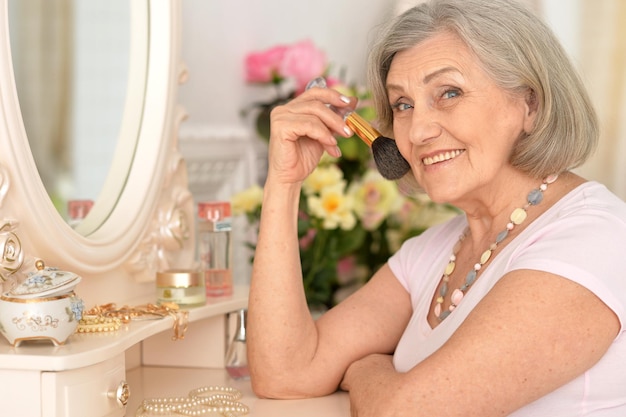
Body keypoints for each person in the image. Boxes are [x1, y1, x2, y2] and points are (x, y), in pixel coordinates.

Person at [246, 0, 626, 415]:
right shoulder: (435, 250)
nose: (420, 131)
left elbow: (405, 412)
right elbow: (286, 374)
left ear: (529, 105)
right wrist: (283, 184)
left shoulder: (593, 241)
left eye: (449, 93)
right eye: (403, 105)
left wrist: (365, 369)